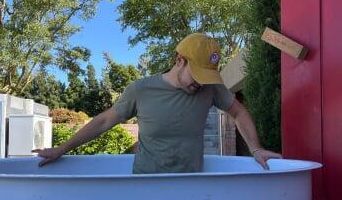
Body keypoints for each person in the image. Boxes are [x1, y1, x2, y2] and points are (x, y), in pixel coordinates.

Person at [34, 33, 281, 171]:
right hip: (146, 183)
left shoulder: (211, 88)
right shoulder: (141, 89)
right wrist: (61, 149)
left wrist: (256, 149)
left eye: (208, 77)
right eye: (197, 75)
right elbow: (104, 121)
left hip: (191, 184)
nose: (201, 83)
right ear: (179, 61)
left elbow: (238, 112)